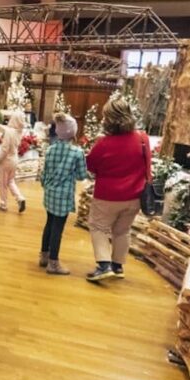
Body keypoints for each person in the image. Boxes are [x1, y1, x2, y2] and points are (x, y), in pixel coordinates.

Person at [85, 97, 152, 282]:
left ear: (109, 119)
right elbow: (148, 164)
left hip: (107, 196)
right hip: (135, 196)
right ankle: (117, 266)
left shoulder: (104, 143)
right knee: (122, 230)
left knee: (98, 227)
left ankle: (104, 265)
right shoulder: (142, 138)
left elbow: (91, 165)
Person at [40, 113, 88, 275]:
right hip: (63, 196)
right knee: (57, 229)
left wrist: (46, 185)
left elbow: (44, 172)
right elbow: (81, 175)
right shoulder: (77, 152)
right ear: (72, 132)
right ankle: (53, 263)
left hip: (49, 193)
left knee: (49, 223)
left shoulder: (50, 150)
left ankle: (44, 256)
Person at [0, 114, 27, 213]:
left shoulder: (9, 132)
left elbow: (4, 149)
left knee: (3, 183)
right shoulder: (19, 131)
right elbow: (8, 129)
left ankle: (2, 204)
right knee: (11, 181)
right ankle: (20, 198)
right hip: (14, 159)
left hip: (6, 160)